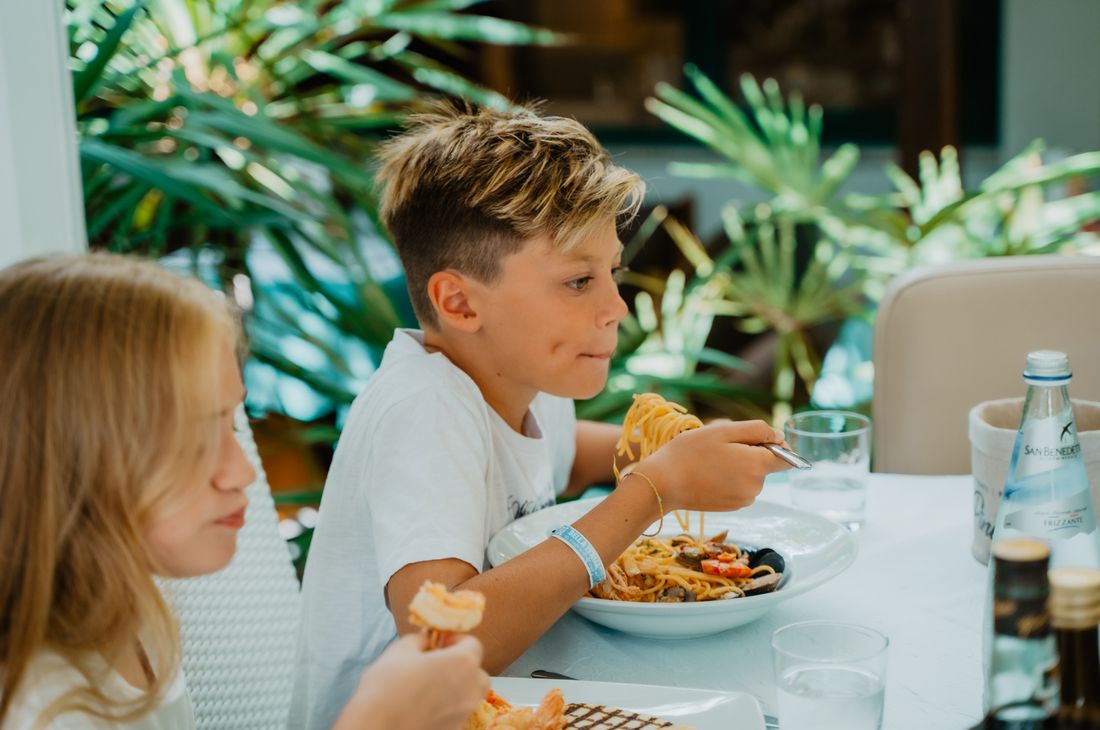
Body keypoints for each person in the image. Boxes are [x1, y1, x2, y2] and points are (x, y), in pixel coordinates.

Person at [290, 103, 792, 729]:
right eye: (578, 281)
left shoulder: (524, 379)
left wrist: (687, 450)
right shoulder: (422, 411)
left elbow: (559, 449)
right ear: (460, 302)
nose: (616, 307)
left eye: (613, 272)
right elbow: (440, 643)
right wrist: (657, 488)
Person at [0, 254, 488, 729]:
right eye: (195, 437)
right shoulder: (37, 706)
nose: (242, 474)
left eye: (233, 424)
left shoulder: (131, 605)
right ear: (65, 456)